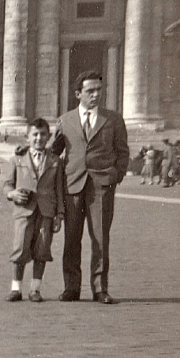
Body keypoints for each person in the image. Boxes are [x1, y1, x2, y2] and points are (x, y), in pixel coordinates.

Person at [51, 70, 129, 303]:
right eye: (90, 91)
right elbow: (55, 152)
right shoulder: (65, 120)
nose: (96, 95)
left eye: (98, 90)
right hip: (73, 184)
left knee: (100, 238)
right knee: (71, 239)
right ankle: (71, 288)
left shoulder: (113, 119)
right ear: (78, 94)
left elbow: (122, 152)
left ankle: (99, 288)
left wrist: (116, 175)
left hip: (101, 186)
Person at [4, 118, 64, 302]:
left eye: (43, 134)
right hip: (24, 210)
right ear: (27, 137)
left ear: (49, 137)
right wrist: (12, 194)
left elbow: (59, 189)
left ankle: (35, 289)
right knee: (20, 248)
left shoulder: (55, 161)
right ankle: (16, 288)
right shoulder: (17, 159)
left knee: (42, 250)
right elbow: (7, 184)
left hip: (46, 211)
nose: (39, 138)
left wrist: (59, 214)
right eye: (35, 135)